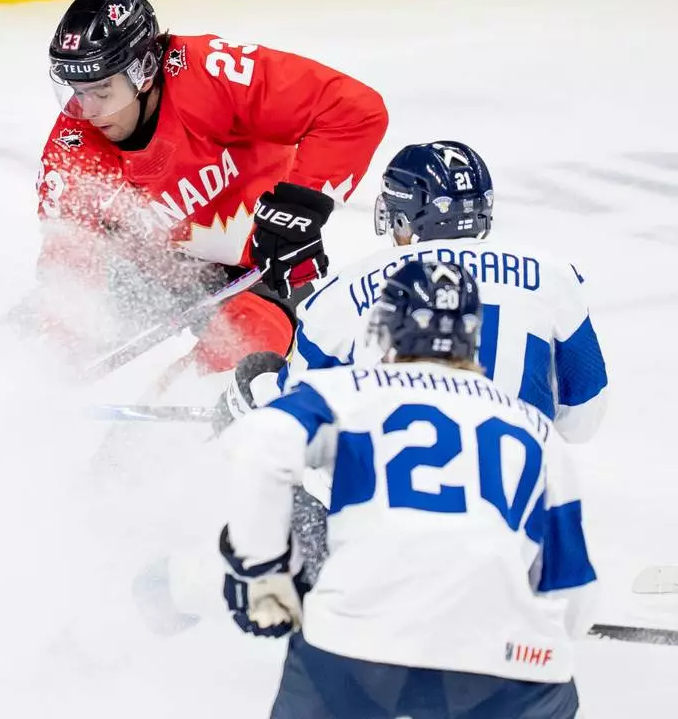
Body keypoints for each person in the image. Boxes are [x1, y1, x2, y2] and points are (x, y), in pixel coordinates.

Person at [215, 140, 609, 583]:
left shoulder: (343, 295)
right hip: (515, 548)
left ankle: (195, 586)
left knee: (268, 452)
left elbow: (290, 419)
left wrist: (246, 392)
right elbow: (583, 421)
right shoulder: (554, 278)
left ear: (402, 216)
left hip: (375, 556)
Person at [217, 260, 596, 718]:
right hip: (514, 667)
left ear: (384, 328)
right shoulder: (536, 430)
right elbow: (574, 596)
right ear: (473, 335)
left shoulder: (346, 390)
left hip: (357, 640)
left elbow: (260, 443)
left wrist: (263, 572)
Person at [28, 0, 388, 375]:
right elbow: (69, 261)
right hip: (160, 273)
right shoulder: (72, 146)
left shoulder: (210, 74)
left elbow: (354, 110)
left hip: (262, 267)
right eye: (77, 92)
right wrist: (59, 348)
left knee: (214, 379)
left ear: (143, 72)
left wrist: (297, 210)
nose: (89, 110)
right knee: (31, 340)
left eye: (101, 90)